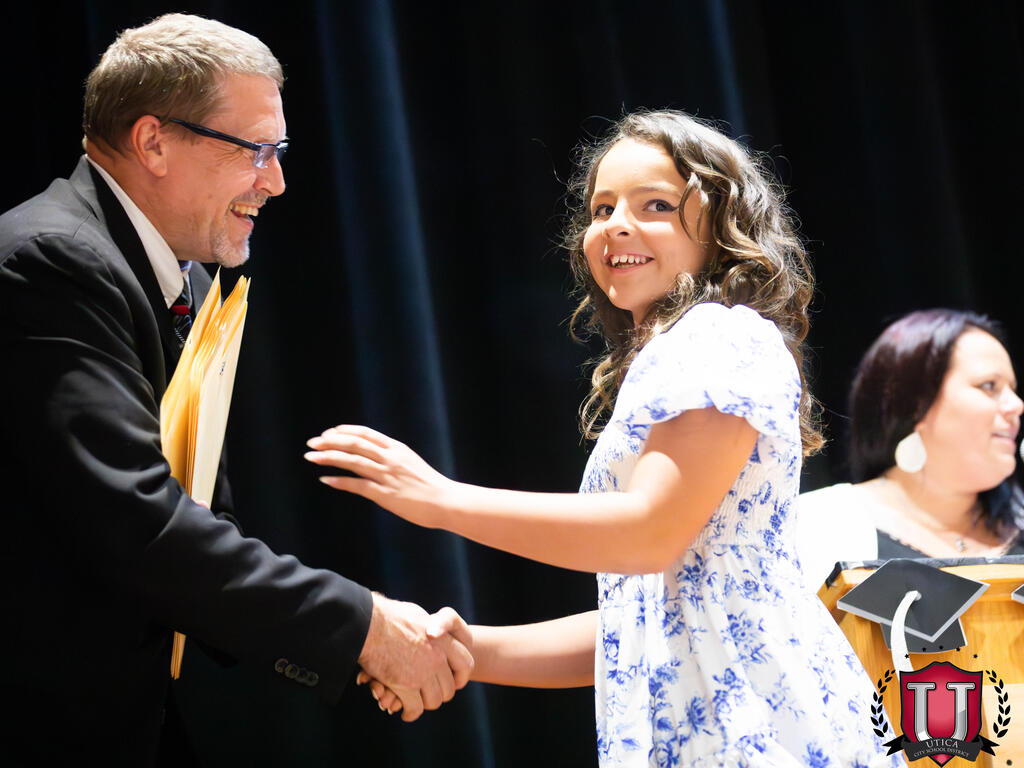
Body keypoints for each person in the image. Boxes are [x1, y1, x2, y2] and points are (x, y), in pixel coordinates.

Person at [306, 111, 899, 767]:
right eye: (602, 208)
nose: (616, 224)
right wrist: (468, 651)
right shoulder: (679, 353)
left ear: (721, 227)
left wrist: (441, 500)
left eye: (655, 205)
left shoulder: (721, 335)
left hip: (757, 732)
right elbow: (642, 616)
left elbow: (648, 534)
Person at [0, 14, 471, 765]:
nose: (276, 182)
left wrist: (368, 636)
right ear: (154, 142)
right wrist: (365, 631)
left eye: (279, 152)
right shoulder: (52, 263)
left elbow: (195, 518)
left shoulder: (178, 278)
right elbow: (141, 528)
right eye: (256, 150)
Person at [797, 309, 1024, 591]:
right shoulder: (820, 522)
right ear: (915, 404)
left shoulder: (1018, 523)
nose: (1017, 405)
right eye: (989, 386)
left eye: (1013, 389)